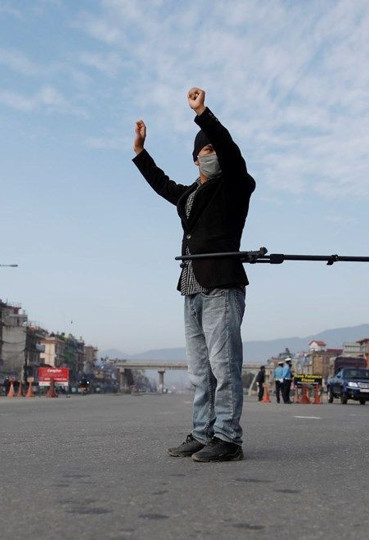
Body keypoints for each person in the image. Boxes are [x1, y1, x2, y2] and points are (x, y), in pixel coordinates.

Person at [133, 87, 255, 463]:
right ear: (195, 159)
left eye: (214, 151)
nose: (212, 155)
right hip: (191, 286)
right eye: (205, 152)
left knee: (224, 366)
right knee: (200, 370)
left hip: (221, 284)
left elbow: (229, 149)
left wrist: (202, 113)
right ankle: (203, 433)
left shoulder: (235, 185)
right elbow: (162, 184)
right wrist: (140, 152)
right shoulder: (189, 195)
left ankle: (228, 438)